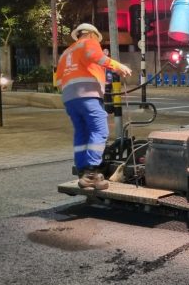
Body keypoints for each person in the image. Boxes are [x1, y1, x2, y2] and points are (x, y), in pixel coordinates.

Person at [56, 23, 132, 190]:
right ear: (91, 34)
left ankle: (83, 171)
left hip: (70, 99)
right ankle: (91, 174)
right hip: (88, 95)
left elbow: (59, 80)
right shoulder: (88, 42)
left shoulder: (66, 53)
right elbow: (97, 57)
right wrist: (118, 66)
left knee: (81, 132)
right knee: (100, 130)